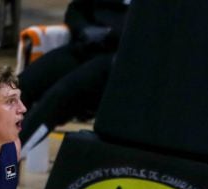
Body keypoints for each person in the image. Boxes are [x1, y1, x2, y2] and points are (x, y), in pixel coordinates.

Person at [18, 0, 130, 152]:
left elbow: (155, 29)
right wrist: (83, 29)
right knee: (19, 86)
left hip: (121, 58)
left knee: (59, 95)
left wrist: (111, 33)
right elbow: (75, 10)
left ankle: (9, 158)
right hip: (86, 45)